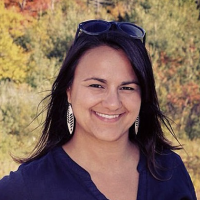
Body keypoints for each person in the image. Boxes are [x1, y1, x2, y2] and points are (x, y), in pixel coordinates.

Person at [0, 20, 197, 200]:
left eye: (127, 88)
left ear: (142, 96)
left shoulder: (169, 171)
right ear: (69, 90)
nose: (113, 103)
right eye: (96, 85)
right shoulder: (28, 187)